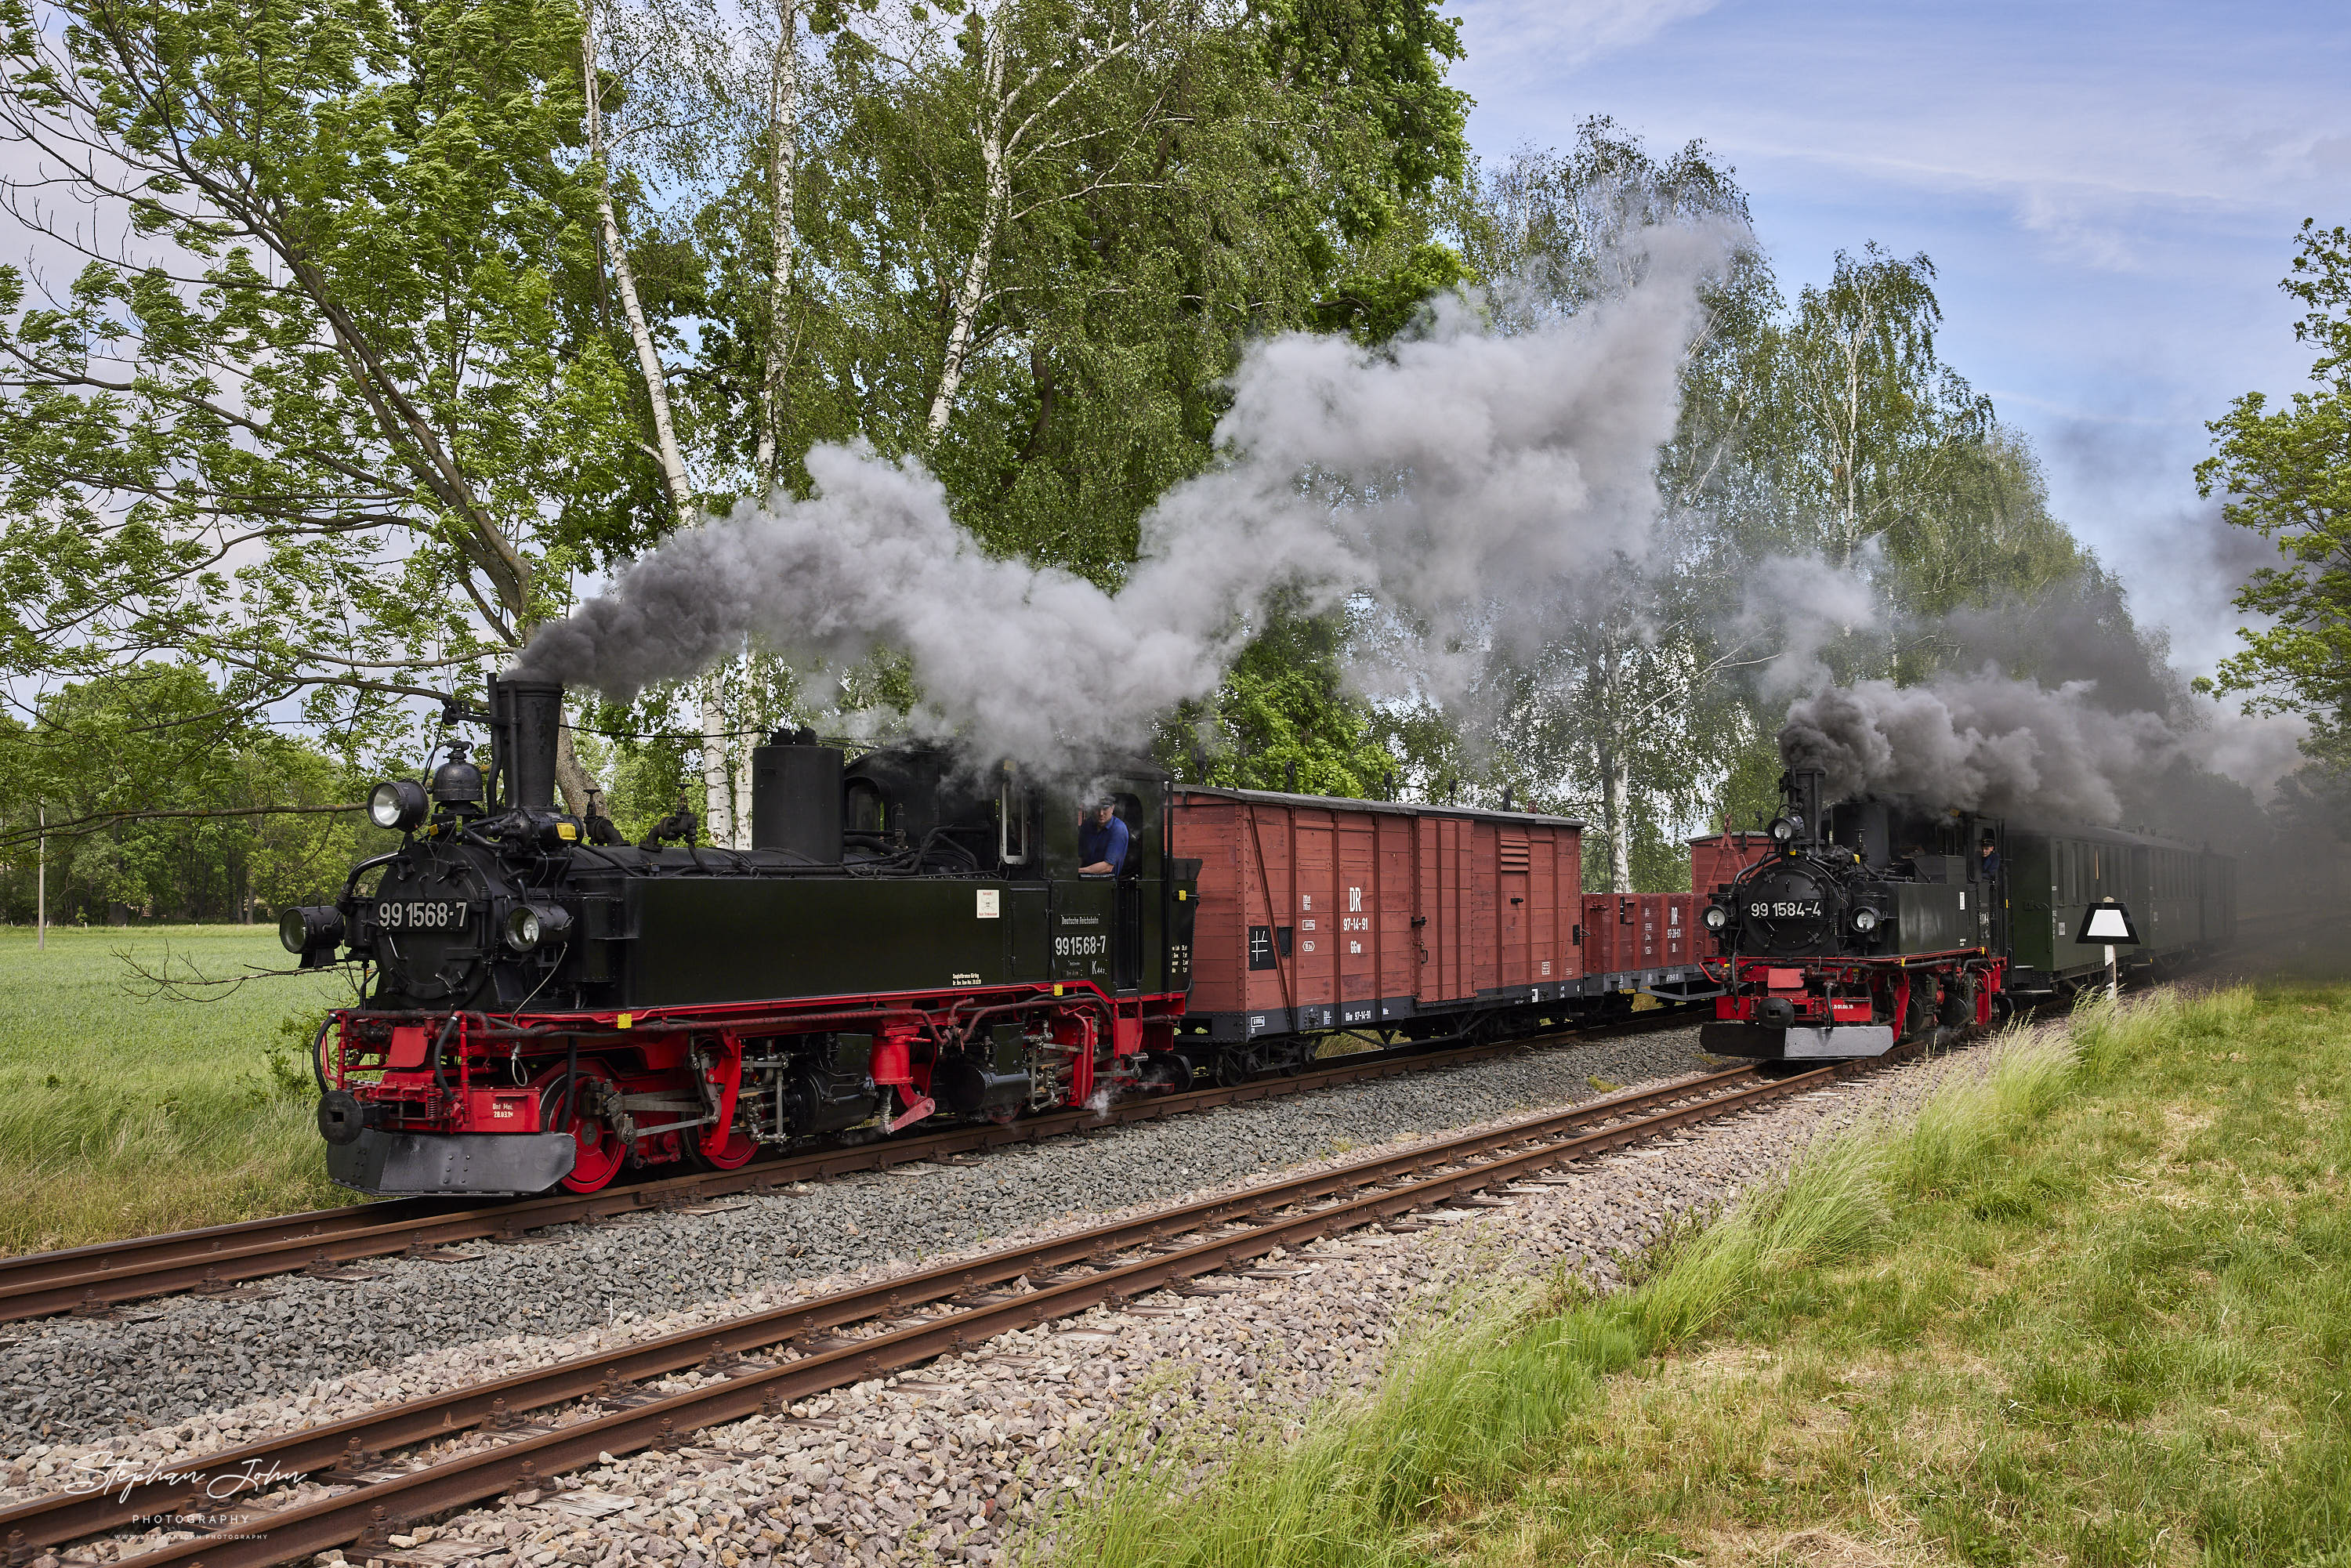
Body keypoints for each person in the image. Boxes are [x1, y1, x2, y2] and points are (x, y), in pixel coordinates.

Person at [1079, 797, 1129, 876]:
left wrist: (1078, 871)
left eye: (1105, 809)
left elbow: (1107, 867)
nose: (1101, 813)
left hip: (1106, 883)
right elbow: (1080, 856)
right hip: (1084, 879)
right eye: (1097, 809)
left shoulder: (1119, 829)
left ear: (1112, 808)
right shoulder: (1087, 825)